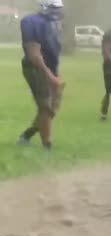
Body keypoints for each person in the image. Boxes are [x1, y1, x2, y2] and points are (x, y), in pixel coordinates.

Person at [17, 0, 65, 150]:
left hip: (50, 68)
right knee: (45, 106)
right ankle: (47, 145)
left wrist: (54, 73)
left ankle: (26, 135)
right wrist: (50, 75)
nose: (57, 12)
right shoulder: (31, 22)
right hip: (36, 68)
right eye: (54, 8)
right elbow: (34, 55)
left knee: (53, 107)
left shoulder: (51, 24)